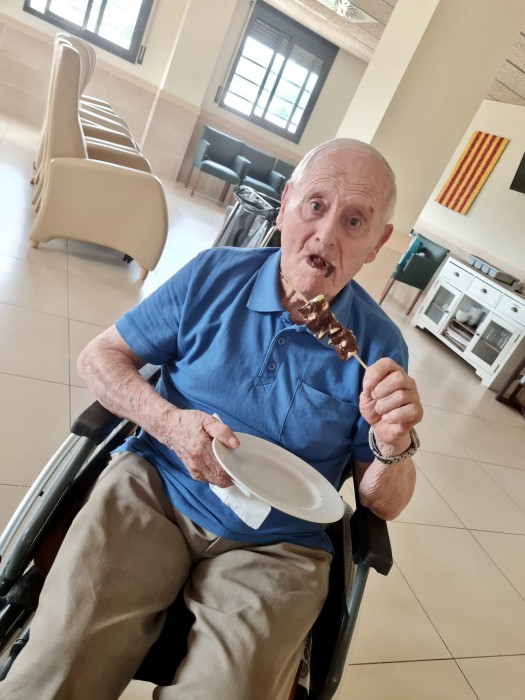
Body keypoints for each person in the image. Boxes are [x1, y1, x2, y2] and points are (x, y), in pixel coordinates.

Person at [2, 138, 422, 700]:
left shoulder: (381, 347)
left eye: (353, 221)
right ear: (285, 205)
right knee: (63, 654)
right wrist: (169, 423)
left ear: (377, 244)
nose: (326, 236)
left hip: (280, 544)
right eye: (315, 206)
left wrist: (392, 446)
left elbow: (381, 502)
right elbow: (100, 358)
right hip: (157, 486)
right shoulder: (213, 276)